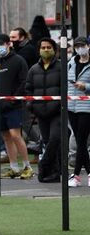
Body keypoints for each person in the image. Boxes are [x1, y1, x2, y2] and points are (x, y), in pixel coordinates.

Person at [25, 38, 65, 183]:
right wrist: (31, 105)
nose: (46, 50)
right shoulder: (33, 69)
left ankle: (45, 166)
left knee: (55, 139)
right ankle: (53, 173)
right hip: (41, 113)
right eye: (43, 47)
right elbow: (28, 89)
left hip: (57, 112)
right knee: (48, 142)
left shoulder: (61, 67)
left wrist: (61, 104)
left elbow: (64, 89)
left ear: (54, 49)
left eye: (49, 47)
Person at [0, 33, 32, 179]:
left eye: (2, 44)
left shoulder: (18, 61)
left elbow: (23, 82)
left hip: (14, 105)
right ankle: (14, 167)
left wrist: (13, 100)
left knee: (15, 135)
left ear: (8, 44)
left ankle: (27, 166)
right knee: (6, 136)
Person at [68, 37, 90, 187]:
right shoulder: (71, 62)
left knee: (81, 140)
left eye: (82, 45)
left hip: (86, 106)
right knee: (79, 140)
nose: (80, 48)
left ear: (88, 46)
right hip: (72, 106)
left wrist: (86, 86)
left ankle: (76, 175)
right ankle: (87, 174)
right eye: (77, 46)